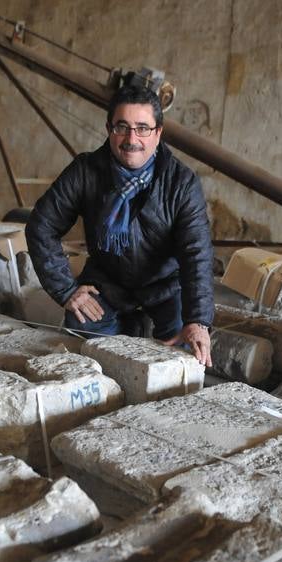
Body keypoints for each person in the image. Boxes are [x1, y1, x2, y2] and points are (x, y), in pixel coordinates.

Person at [25, 84, 214, 366]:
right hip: (107, 283)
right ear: (109, 129)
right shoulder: (86, 171)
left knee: (183, 355)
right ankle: (126, 333)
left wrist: (198, 320)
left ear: (158, 133)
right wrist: (66, 290)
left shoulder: (181, 182)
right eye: (122, 127)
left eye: (142, 128)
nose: (131, 138)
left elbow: (196, 253)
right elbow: (41, 226)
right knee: (88, 344)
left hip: (164, 286)